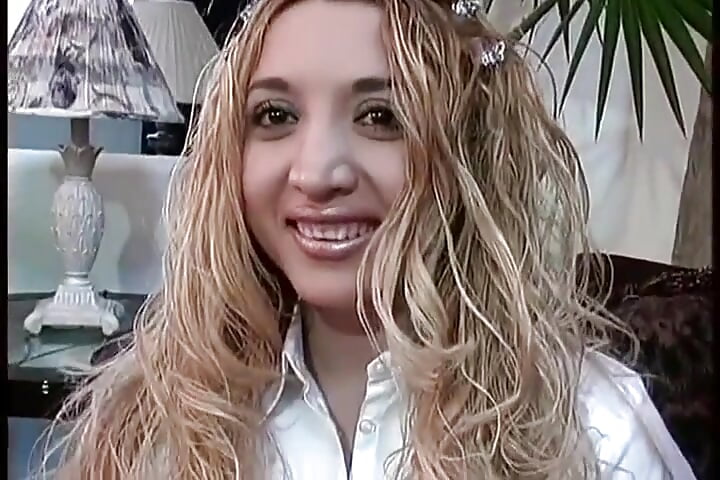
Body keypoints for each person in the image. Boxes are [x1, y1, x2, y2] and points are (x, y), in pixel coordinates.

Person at [41, 0, 696, 479]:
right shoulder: (150, 427)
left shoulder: (592, 430)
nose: (317, 173)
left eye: (381, 116)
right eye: (276, 114)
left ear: (462, 152)